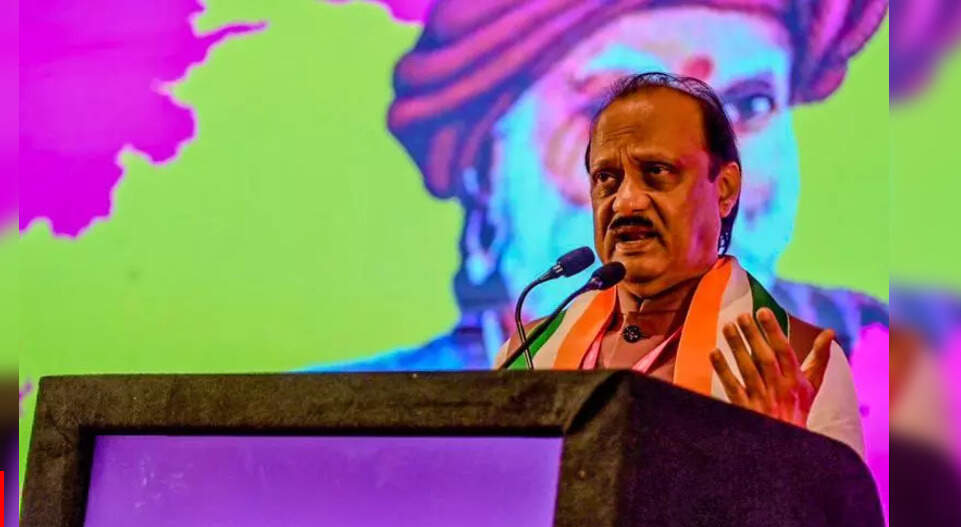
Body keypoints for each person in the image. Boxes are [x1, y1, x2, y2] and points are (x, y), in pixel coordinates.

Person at [324, 0, 887, 372]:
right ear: (487, 166)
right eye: (613, 115)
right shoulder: (368, 428)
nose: (685, 174)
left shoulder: (871, 370)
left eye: (747, 106)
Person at [494, 73, 863, 454]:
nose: (625, 201)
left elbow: (837, 497)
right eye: (606, 178)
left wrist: (785, 453)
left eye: (657, 172)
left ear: (725, 189)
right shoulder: (528, 355)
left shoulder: (799, 365)